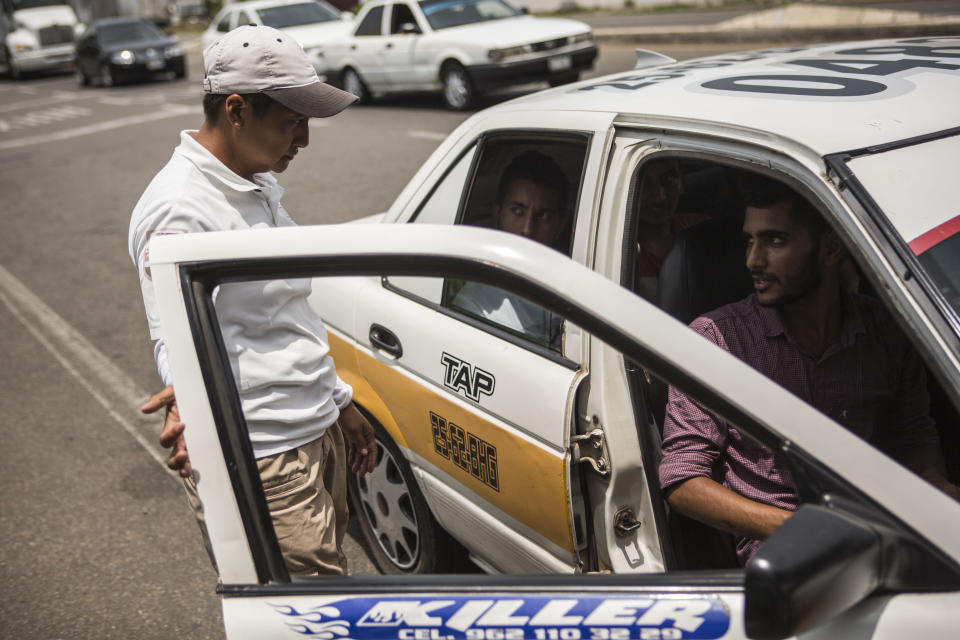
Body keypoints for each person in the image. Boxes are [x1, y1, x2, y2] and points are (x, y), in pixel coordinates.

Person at [129, 25, 377, 576]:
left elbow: (282, 318)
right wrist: (187, 403)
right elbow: (175, 334)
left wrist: (340, 403)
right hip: (264, 459)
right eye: (292, 122)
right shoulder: (181, 210)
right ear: (236, 110)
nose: (304, 140)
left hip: (309, 430)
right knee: (307, 623)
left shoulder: (249, 180)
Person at [657, 175, 960, 566]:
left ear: (831, 248)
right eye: (750, 240)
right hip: (786, 560)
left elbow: (914, 432)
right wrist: (799, 528)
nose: (753, 261)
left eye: (775, 241)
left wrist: (937, 490)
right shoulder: (715, 340)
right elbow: (682, 480)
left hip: (885, 533)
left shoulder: (886, 330)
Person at [451, 150, 569, 346]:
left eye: (544, 216)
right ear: (497, 214)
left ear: (560, 224)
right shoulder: (476, 306)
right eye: (517, 211)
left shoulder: (576, 284)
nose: (527, 229)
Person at [633, 157, 708, 301]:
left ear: (681, 183)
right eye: (645, 184)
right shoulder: (620, 249)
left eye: (668, 179)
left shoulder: (701, 229)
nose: (659, 196)